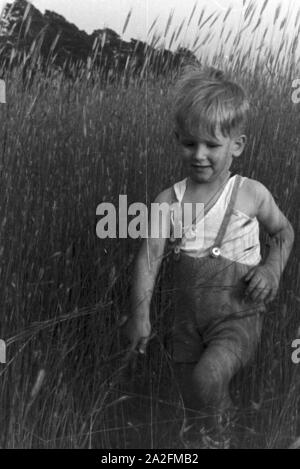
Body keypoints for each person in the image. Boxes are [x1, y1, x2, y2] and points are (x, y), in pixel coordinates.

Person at [122, 67, 294, 448]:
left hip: (237, 318)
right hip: (187, 324)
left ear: (237, 145)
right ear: (177, 140)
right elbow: (149, 257)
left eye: (212, 146)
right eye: (189, 144)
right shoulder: (169, 201)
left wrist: (272, 268)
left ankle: (225, 435)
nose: (199, 155)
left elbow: (284, 233)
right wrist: (139, 316)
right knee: (193, 401)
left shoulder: (251, 194)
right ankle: (206, 439)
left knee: (207, 380)